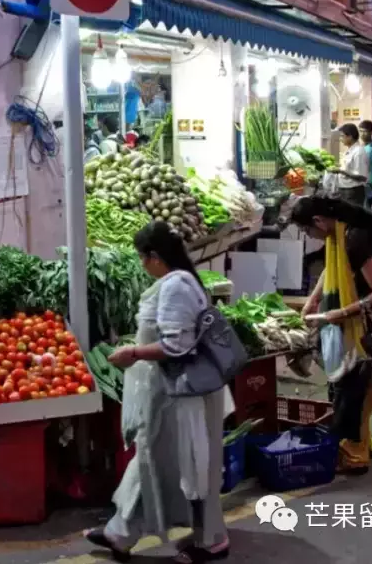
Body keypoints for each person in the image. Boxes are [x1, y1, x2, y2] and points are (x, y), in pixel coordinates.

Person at [84, 222, 231, 564]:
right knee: (152, 460)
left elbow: (177, 345)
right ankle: (121, 533)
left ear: (153, 256)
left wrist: (134, 353)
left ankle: (213, 541)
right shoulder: (182, 281)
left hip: (182, 397)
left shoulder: (176, 286)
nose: (141, 265)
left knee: (191, 466)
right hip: (171, 395)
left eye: (141, 258)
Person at [294, 197, 372, 474]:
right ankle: (360, 446)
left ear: (319, 221)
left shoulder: (354, 240)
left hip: (370, 325)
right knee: (352, 389)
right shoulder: (337, 237)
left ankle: (357, 455)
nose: (310, 236)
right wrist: (313, 299)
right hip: (355, 323)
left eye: (307, 230)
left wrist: (343, 312)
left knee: (359, 392)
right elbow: (332, 269)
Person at [329, 124, 370, 208]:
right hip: (344, 190)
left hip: (353, 191)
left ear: (350, 137)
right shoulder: (350, 150)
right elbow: (349, 168)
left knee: (351, 215)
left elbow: (362, 176)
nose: (340, 139)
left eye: (342, 136)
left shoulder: (359, 152)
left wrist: (341, 171)